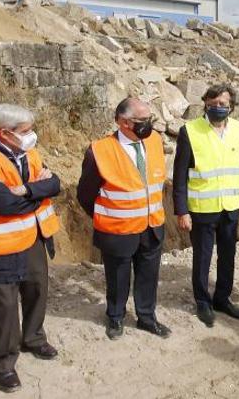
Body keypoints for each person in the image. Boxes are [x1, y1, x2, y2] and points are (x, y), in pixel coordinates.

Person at [0, 104, 61, 393]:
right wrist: (37, 191)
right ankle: (3, 363)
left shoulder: (30, 154)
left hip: (34, 236)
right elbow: (4, 205)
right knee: (6, 303)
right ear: (4, 133)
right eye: (25, 131)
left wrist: (27, 190)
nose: (31, 136)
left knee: (36, 289)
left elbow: (54, 184)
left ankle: (33, 338)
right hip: (1, 242)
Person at [77, 97, 170, 340]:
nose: (148, 125)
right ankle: (115, 317)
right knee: (117, 277)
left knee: (149, 275)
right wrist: (107, 216)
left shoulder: (155, 141)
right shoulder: (99, 150)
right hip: (117, 229)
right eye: (142, 120)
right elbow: (85, 194)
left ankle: (147, 318)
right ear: (123, 122)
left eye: (150, 119)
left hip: (151, 225)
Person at [172, 84, 239, 327]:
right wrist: (181, 210)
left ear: (231, 106)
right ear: (205, 103)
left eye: (223, 104)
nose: (218, 107)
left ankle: (222, 299)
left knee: (228, 256)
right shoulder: (190, 131)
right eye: (213, 103)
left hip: (230, 208)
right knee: (203, 257)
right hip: (202, 208)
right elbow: (179, 176)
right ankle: (203, 301)